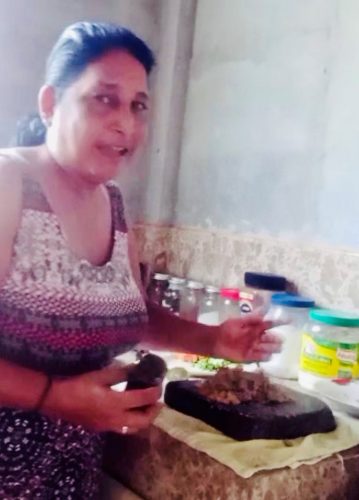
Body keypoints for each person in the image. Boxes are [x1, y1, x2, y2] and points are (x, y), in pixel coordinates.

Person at [0, 21, 280, 499]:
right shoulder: (9, 184)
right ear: (50, 104)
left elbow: (131, 312)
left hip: (68, 480)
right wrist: (54, 397)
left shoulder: (112, 203)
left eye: (139, 105)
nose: (125, 123)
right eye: (104, 99)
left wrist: (214, 339)